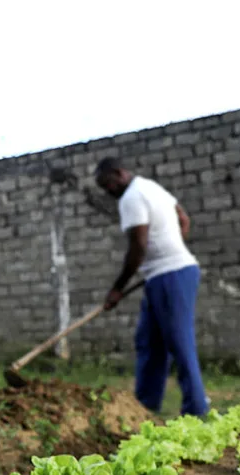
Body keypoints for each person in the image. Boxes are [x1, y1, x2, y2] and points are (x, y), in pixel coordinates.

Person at [94, 157, 209, 417]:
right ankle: (144, 407)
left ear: (119, 172)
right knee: (149, 342)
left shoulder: (131, 198)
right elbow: (183, 218)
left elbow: (139, 246)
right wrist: (171, 245)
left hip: (171, 274)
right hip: (163, 275)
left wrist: (117, 288)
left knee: (180, 342)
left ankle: (197, 408)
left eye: (108, 184)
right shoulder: (150, 187)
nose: (108, 192)